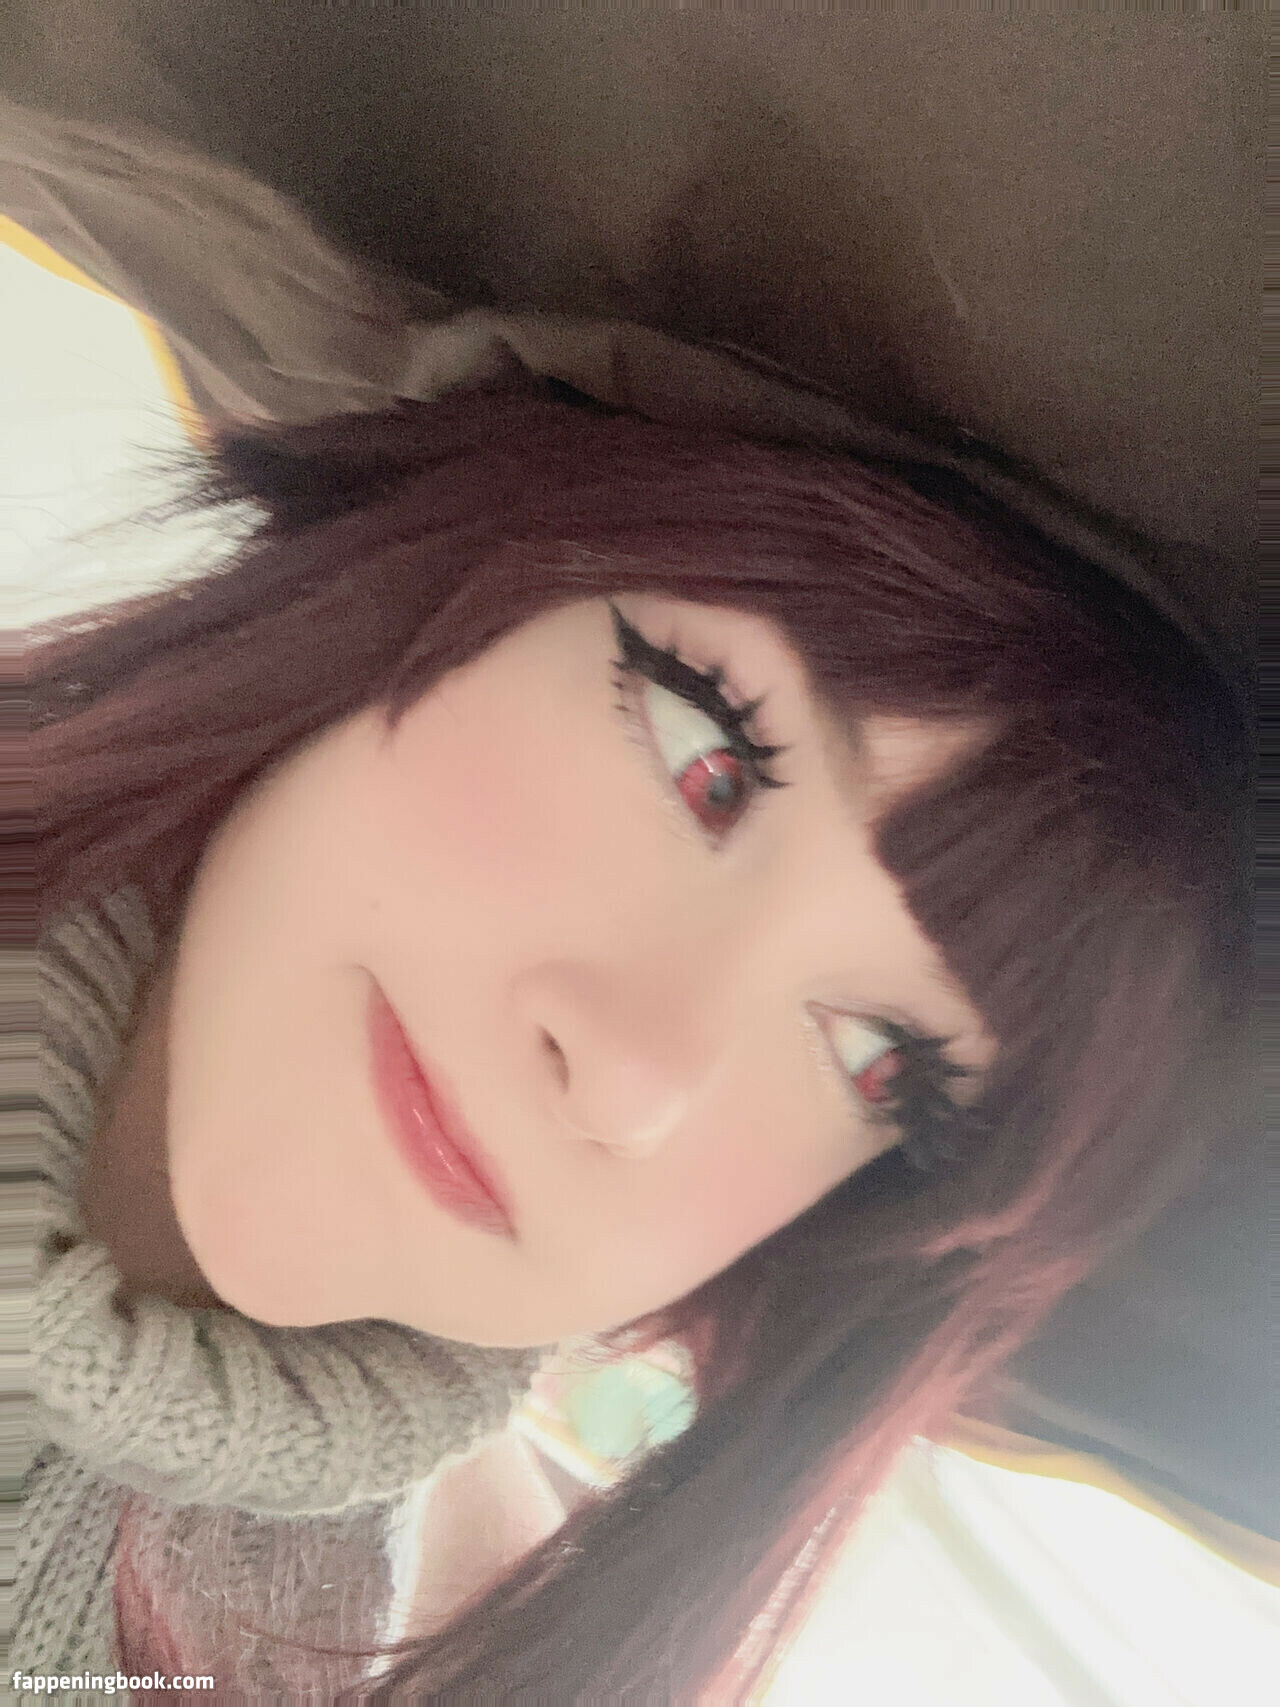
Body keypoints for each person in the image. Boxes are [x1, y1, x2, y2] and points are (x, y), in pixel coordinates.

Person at [24, 385, 1247, 1700]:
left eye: (877, 1060)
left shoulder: (423, 1640)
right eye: (706, 760)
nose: (631, 1080)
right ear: (446, 572)